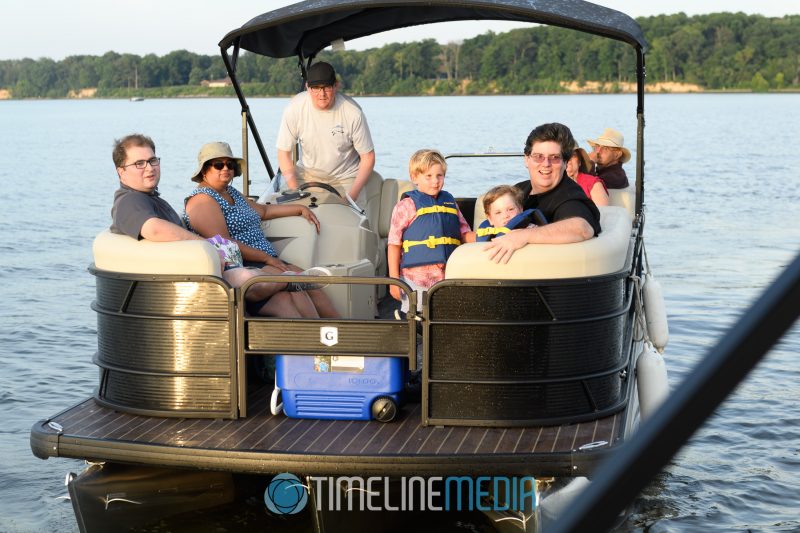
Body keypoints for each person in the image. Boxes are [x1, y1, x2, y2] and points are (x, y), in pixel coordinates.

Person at [109, 134, 309, 318]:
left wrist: (300, 209)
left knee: (292, 299)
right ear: (121, 172)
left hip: (208, 279)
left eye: (153, 161)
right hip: (205, 289)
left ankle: (325, 349)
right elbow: (153, 228)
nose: (149, 167)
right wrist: (206, 245)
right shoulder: (130, 201)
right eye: (139, 163)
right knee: (271, 282)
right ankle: (295, 279)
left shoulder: (150, 199)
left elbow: (262, 211)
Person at [183, 141, 338, 319]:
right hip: (243, 266)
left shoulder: (231, 192)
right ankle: (321, 341)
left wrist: (300, 209)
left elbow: (263, 211)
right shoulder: (202, 201)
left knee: (312, 284)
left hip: (264, 260)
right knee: (298, 289)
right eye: (218, 164)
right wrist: (267, 259)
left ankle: (342, 334)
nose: (225, 168)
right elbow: (226, 244)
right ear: (204, 170)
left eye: (229, 164)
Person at [485, 123, 601, 264]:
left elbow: (582, 228)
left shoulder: (570, 197)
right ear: (527, 160)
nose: (546, 164)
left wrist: (524, 236)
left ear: (565, 163)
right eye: (538, 156)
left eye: (554, 158)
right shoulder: (518, 190)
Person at [276, 61, 377, 208]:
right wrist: (294, 190)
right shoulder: (294, 108)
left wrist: (350, 197)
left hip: (346, 178)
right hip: (307, 175)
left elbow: (368, 157)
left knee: (351, 220)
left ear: (336, 85)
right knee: (285, 208)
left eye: (326, 87)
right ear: (307, 88)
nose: (321, 94)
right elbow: (283, 153)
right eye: (315, 88)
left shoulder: (353, 112)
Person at [387, 149, 475, 311]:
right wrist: (394, 281)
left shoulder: (450, 203)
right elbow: (393, 244)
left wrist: (489, 235)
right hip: (415, 279)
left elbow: (465, 235)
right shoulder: (406, 206)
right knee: (416, 320)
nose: (435, 181)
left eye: (439, 176)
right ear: (414, 178)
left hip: (447, 277)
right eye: (428, 176)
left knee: (444, 316)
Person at [475, 185, 544, 241]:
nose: (505, 216)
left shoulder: (530, 229)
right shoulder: (485, 233)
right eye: (498, 212)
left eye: (510, 209)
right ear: (490, 219)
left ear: (520, 209)